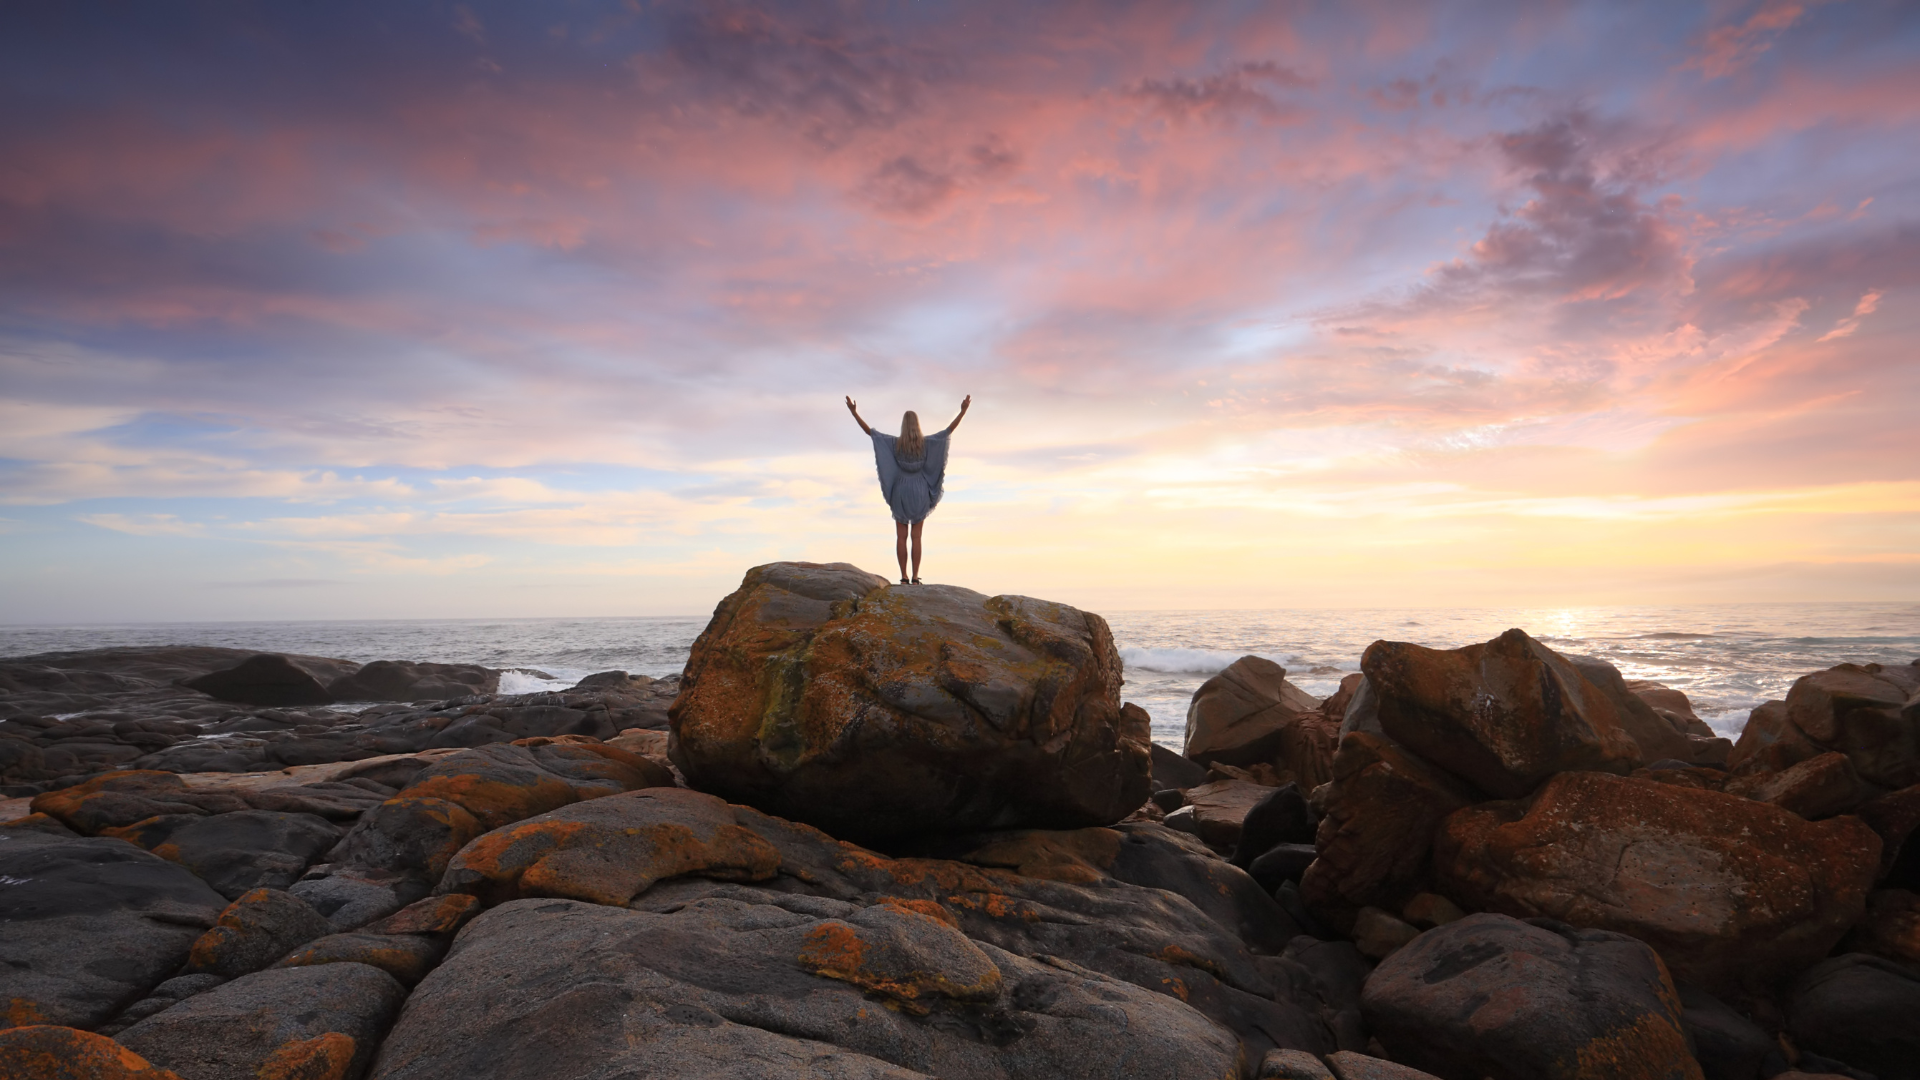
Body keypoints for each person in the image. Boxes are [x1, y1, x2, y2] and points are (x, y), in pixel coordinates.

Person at [846, 394, 969, 584]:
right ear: (917, 425)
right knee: (917, 537)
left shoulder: (895, 443)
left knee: (901, 537)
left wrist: (854, 414)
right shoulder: (926, 443)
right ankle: (915, 576)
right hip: (919, 491)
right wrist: (962, 411)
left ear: (903, 425)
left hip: (901, 491)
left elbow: (871, 433)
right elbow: (948, 431)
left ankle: (903, 576)